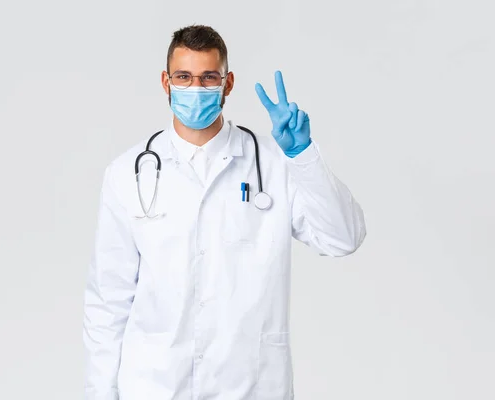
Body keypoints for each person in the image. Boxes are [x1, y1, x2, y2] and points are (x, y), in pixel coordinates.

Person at [83, 24, 366, 400]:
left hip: (251, 385)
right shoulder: (128, 173)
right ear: (165, 83)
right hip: (154, 385)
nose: (195, 89)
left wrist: (304, 156)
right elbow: (108, 300)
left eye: (208, 78)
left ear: (228, 83)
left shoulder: (274, 164)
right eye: (183, 77)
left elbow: (343, 238)